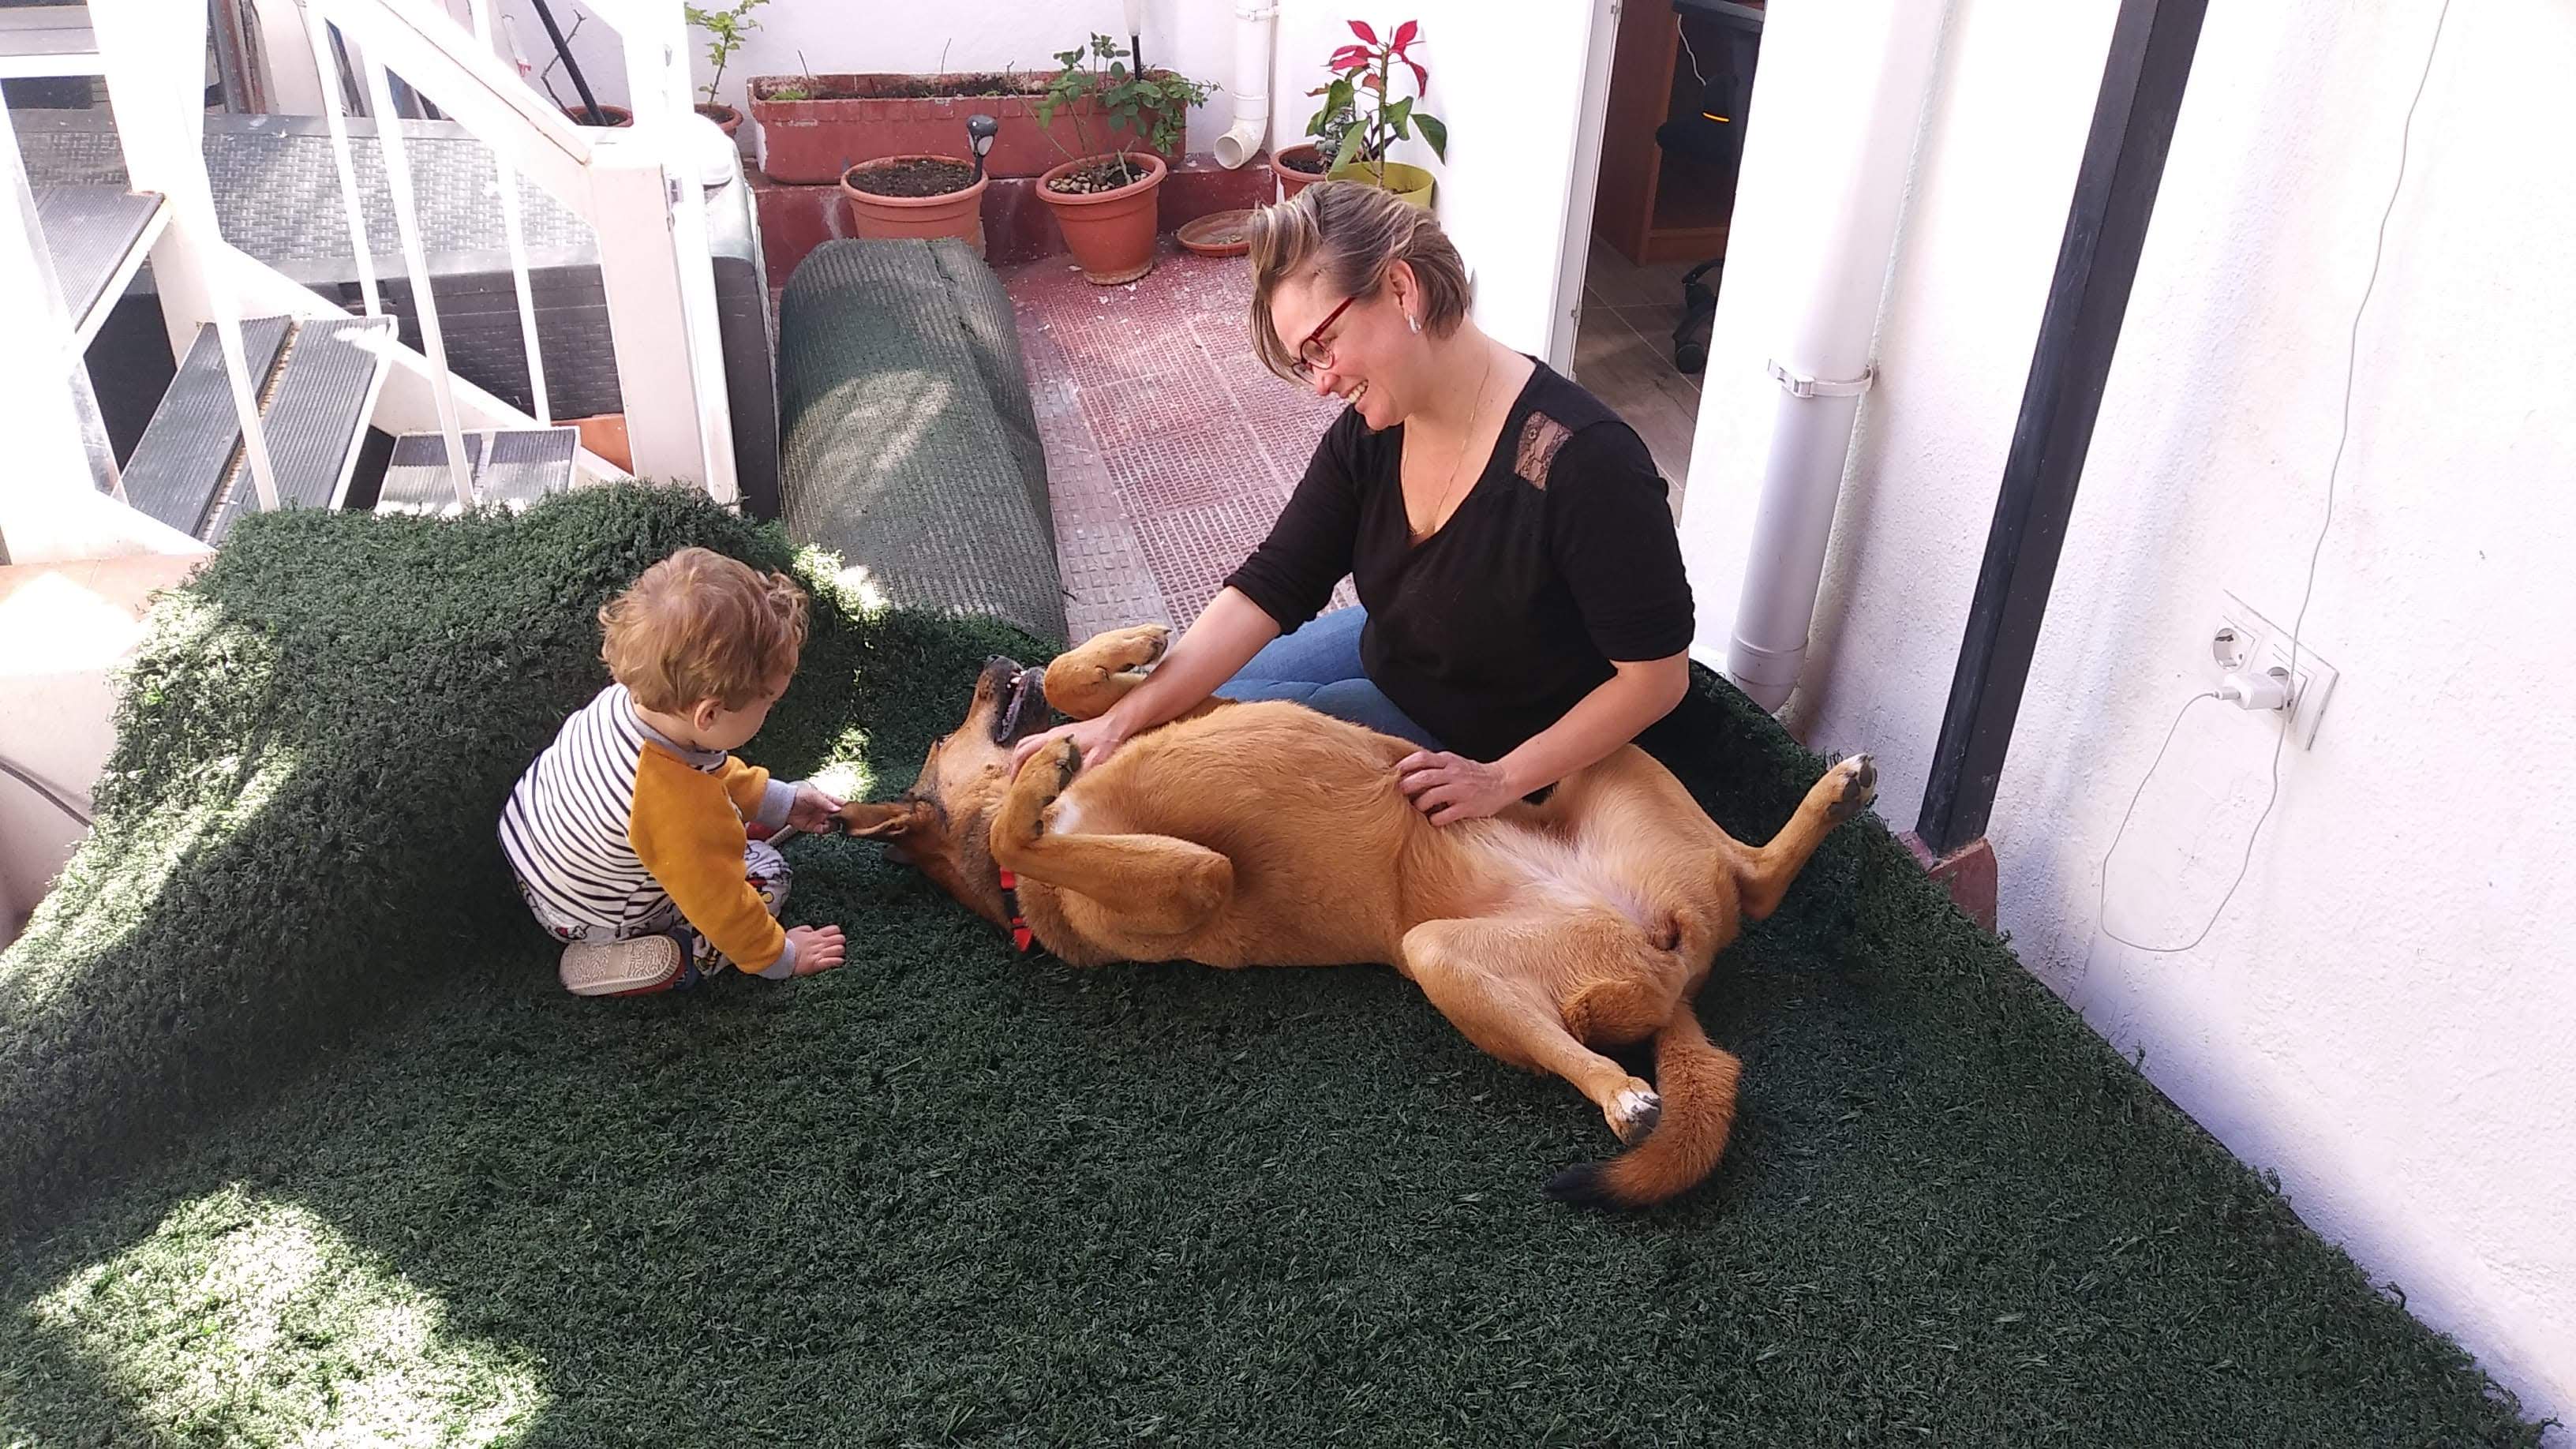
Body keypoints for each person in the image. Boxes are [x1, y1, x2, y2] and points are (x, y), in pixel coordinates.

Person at [1017, 181, 1694, 825]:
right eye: (1303, 362)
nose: (1320, 383)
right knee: (1155, 716)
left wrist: (1504, 780)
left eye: (1322, 347)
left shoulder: (1586, 464)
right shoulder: (1372, 434)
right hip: (1397, 648)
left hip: (1486, 739)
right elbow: (1275, 582)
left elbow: (1658, 681)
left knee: (1193, 761)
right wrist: (1118, 723)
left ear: (1401, 288)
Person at [501, 547, 849, 996]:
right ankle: (650, 957)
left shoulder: (628, 705)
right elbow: (720, 904)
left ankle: (728, 837)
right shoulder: (677, 805)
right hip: (599, 916)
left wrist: (781, 801)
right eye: (770, 701)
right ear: (709, 714)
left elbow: (710, 769)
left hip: (538, 868)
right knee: (770, 873)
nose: (773, 710)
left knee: (705, 832)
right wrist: (782, 956)